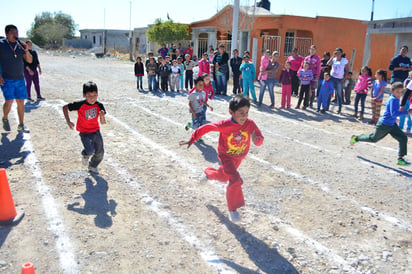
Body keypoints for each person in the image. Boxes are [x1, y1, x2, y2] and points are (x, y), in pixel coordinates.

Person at [179, 95, 264, 222]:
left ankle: (209, 174)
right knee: (235, 179)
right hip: (227, 157)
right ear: (231, 112)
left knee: (224, 177)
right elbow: (206, 128)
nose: (244, 116)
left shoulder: (250, 124)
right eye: (241, 113)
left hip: (239, 157)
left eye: (246, 113)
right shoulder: (225, 125)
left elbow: (259, 138)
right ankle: (232, 209)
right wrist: (192, 139)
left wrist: (256, 140)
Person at [350, 82, 411, 166]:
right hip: (384, 125)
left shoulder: (395, 99)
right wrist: (407, 112)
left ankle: (400, 158)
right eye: (397, 92)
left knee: (403, 138)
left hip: (392, 125)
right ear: (392, 91)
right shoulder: (393, 99)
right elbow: (394, 114)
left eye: (401, 92)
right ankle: (356, 138)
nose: (399, 94)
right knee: (373, 139)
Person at [63, 81, 106, 174]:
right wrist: (68, 121)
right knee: (90, 151)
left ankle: (93, 165)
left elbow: (103, 122)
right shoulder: (80, 104)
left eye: (94, 96)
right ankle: (85, 155)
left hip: (95, 131)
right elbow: (65, 108)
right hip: (84, 132)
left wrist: (102, 116)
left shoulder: (99, 105)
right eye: (89, 96)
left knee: (100, 152)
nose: (92, 98)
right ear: (84, 95)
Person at [0, 24, 32, 132]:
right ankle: (5, 118)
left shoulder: (20, 45)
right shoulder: (1, 44)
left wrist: (27, 50)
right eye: (13, 32)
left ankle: (21, 124)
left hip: (20, 78)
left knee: (20, 101)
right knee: (9, 100)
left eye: (17, 32)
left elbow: (29, 60)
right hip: (6, 78)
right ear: (6, 34)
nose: (16, 34)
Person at [328, 48, 349, 114]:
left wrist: (344, 78)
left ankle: (339, 108)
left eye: (339, 52)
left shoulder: (344, 60)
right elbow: (328, 64)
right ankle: (327, 106)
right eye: (336, 52)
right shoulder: (334, 59)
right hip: (332, 77)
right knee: (329, 92)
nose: (338, 54)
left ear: (342, 53)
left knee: (339, 93)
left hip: (339, 79)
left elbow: (347, 70)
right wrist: (332, 56)